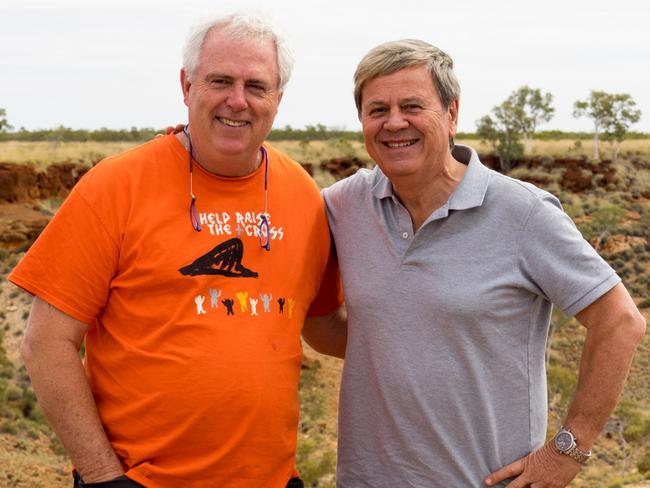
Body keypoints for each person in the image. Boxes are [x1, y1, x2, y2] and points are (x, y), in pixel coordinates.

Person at [10, 13, 342, 488]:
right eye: (220, 81)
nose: (237, 100)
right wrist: (104, 476)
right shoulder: (116, 186)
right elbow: (45, 343)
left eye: (256, 85)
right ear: (187, 86)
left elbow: (323, 325)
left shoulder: (303, 195)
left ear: (278, 99)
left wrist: (448, 331)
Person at [303, 39, 646, 487]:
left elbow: (621, 322)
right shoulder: (343, 205)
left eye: (412, 105)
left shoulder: (523, 213)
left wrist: (568, 450)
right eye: (377, 110)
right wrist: (187, 152)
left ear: (452, 114)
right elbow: (264, 205)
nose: (394, 123)